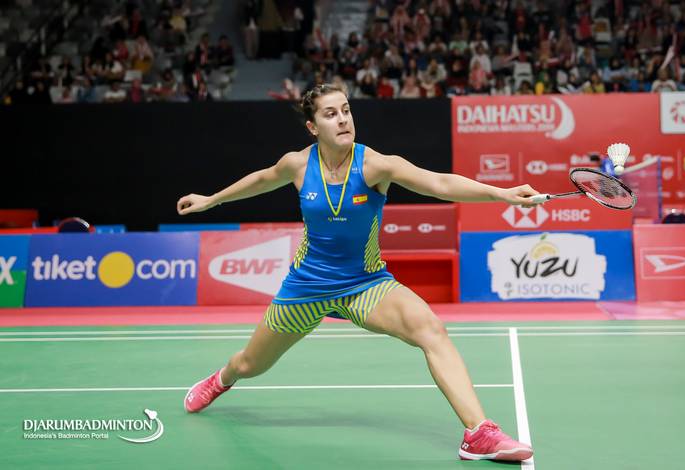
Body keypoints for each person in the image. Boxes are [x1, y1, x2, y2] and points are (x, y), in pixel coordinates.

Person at [176, 83, 538, 462]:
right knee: (251, 364)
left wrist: (501, 194)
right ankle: (221, 379)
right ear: (313, 127)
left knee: (430, 329)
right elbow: (263, 179)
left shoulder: (376, 165)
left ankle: (478, 433)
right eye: (331, 114)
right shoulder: (298, 164)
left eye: (346, 110)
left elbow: (439, 183)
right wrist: (212, 199)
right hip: (307, 285)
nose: (343, 119)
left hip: (364, 284)